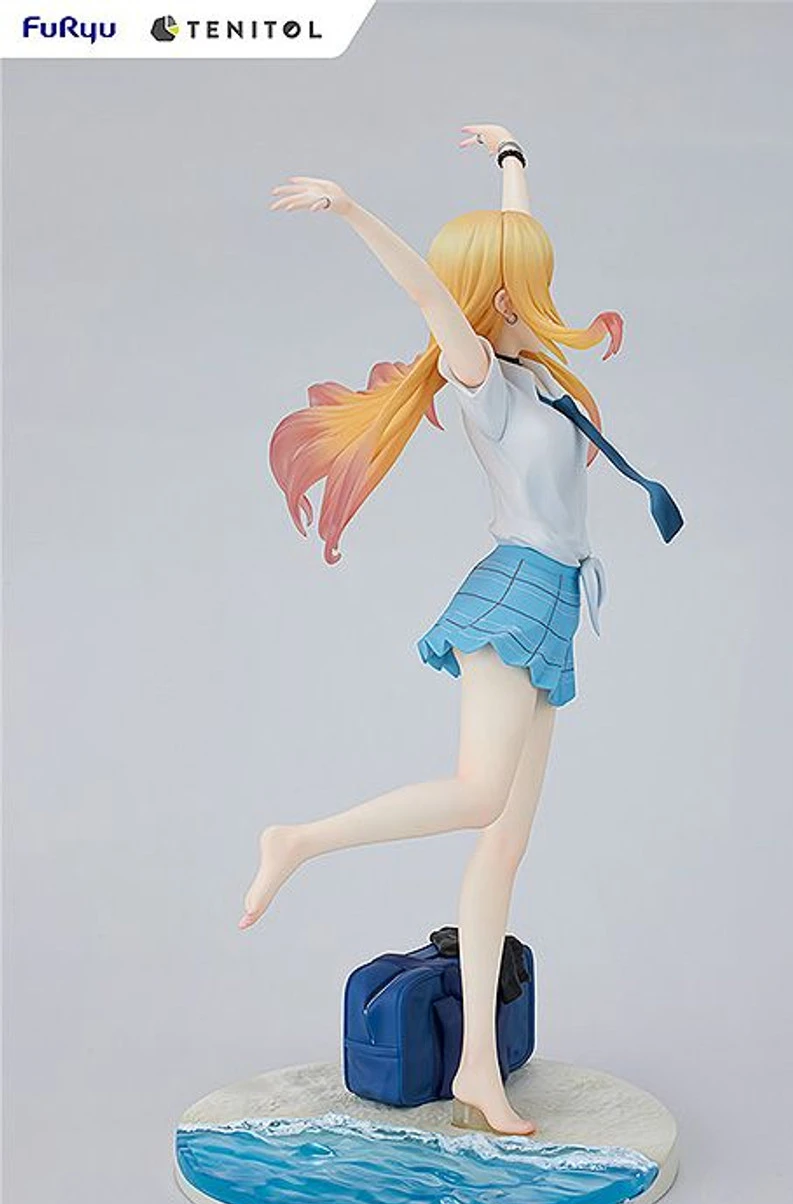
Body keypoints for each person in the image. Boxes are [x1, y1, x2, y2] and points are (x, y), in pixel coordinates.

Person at [240, 124, 680, 1137]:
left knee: (503, 845)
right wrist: (353, 210)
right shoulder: (481, 379)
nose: (535, 300)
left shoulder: (533, 371)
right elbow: (432, 297)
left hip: (555, 605)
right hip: (512, 597)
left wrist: (513, 157)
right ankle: (299, 838)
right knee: (480, 794)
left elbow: (514, 249)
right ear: (492, 301)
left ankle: (479, 1063)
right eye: (516, 289)